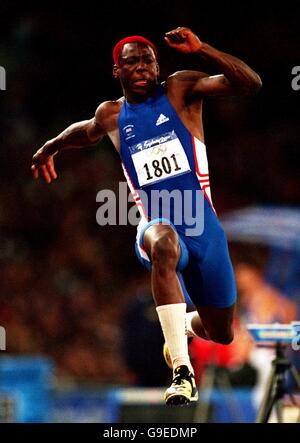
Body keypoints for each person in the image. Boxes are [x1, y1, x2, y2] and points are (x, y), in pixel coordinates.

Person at [31, 27, 262, 406]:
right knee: (165, 244)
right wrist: (51, 146)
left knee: (222, 333)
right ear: (116, 72)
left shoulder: (180, 90)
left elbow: (249, 84)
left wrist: (202, 49)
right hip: (156, 226)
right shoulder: (112, 114)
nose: (141, 66)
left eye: (148, 60)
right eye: (131, 61)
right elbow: (85, 133)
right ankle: (182, 373)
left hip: (203, 227)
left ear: (158, 66)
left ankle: (182, 327)